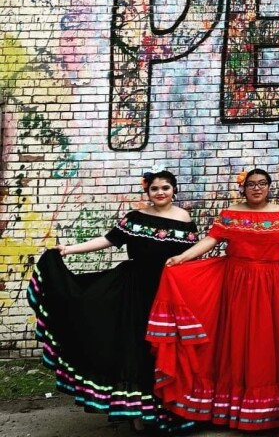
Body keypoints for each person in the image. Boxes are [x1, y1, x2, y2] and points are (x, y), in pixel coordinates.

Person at [27, 168, 197, 433]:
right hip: (134, 291)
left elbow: (192, 255)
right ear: (147, 192)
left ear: (174, 190)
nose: (160, 192)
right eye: (154, 189)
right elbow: (107, 240)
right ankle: (135, 411)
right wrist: (69, 249)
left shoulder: (185, 218)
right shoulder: (134, 218)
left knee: (164, 349)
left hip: (170, 293)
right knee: (135, 347)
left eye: (165, 187)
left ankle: (167, 408)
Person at [146, 168, 279, 431]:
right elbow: (211, 240)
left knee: (265, 341)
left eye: (262, 184)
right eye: (251, 184)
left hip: (270, 286)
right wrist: (183, 258)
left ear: (269, 187)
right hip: (235, 284)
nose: (257, 188)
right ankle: (231, 407)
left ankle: (271, 408)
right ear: (244, 188)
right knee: (236, 340)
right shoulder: (230, 214)